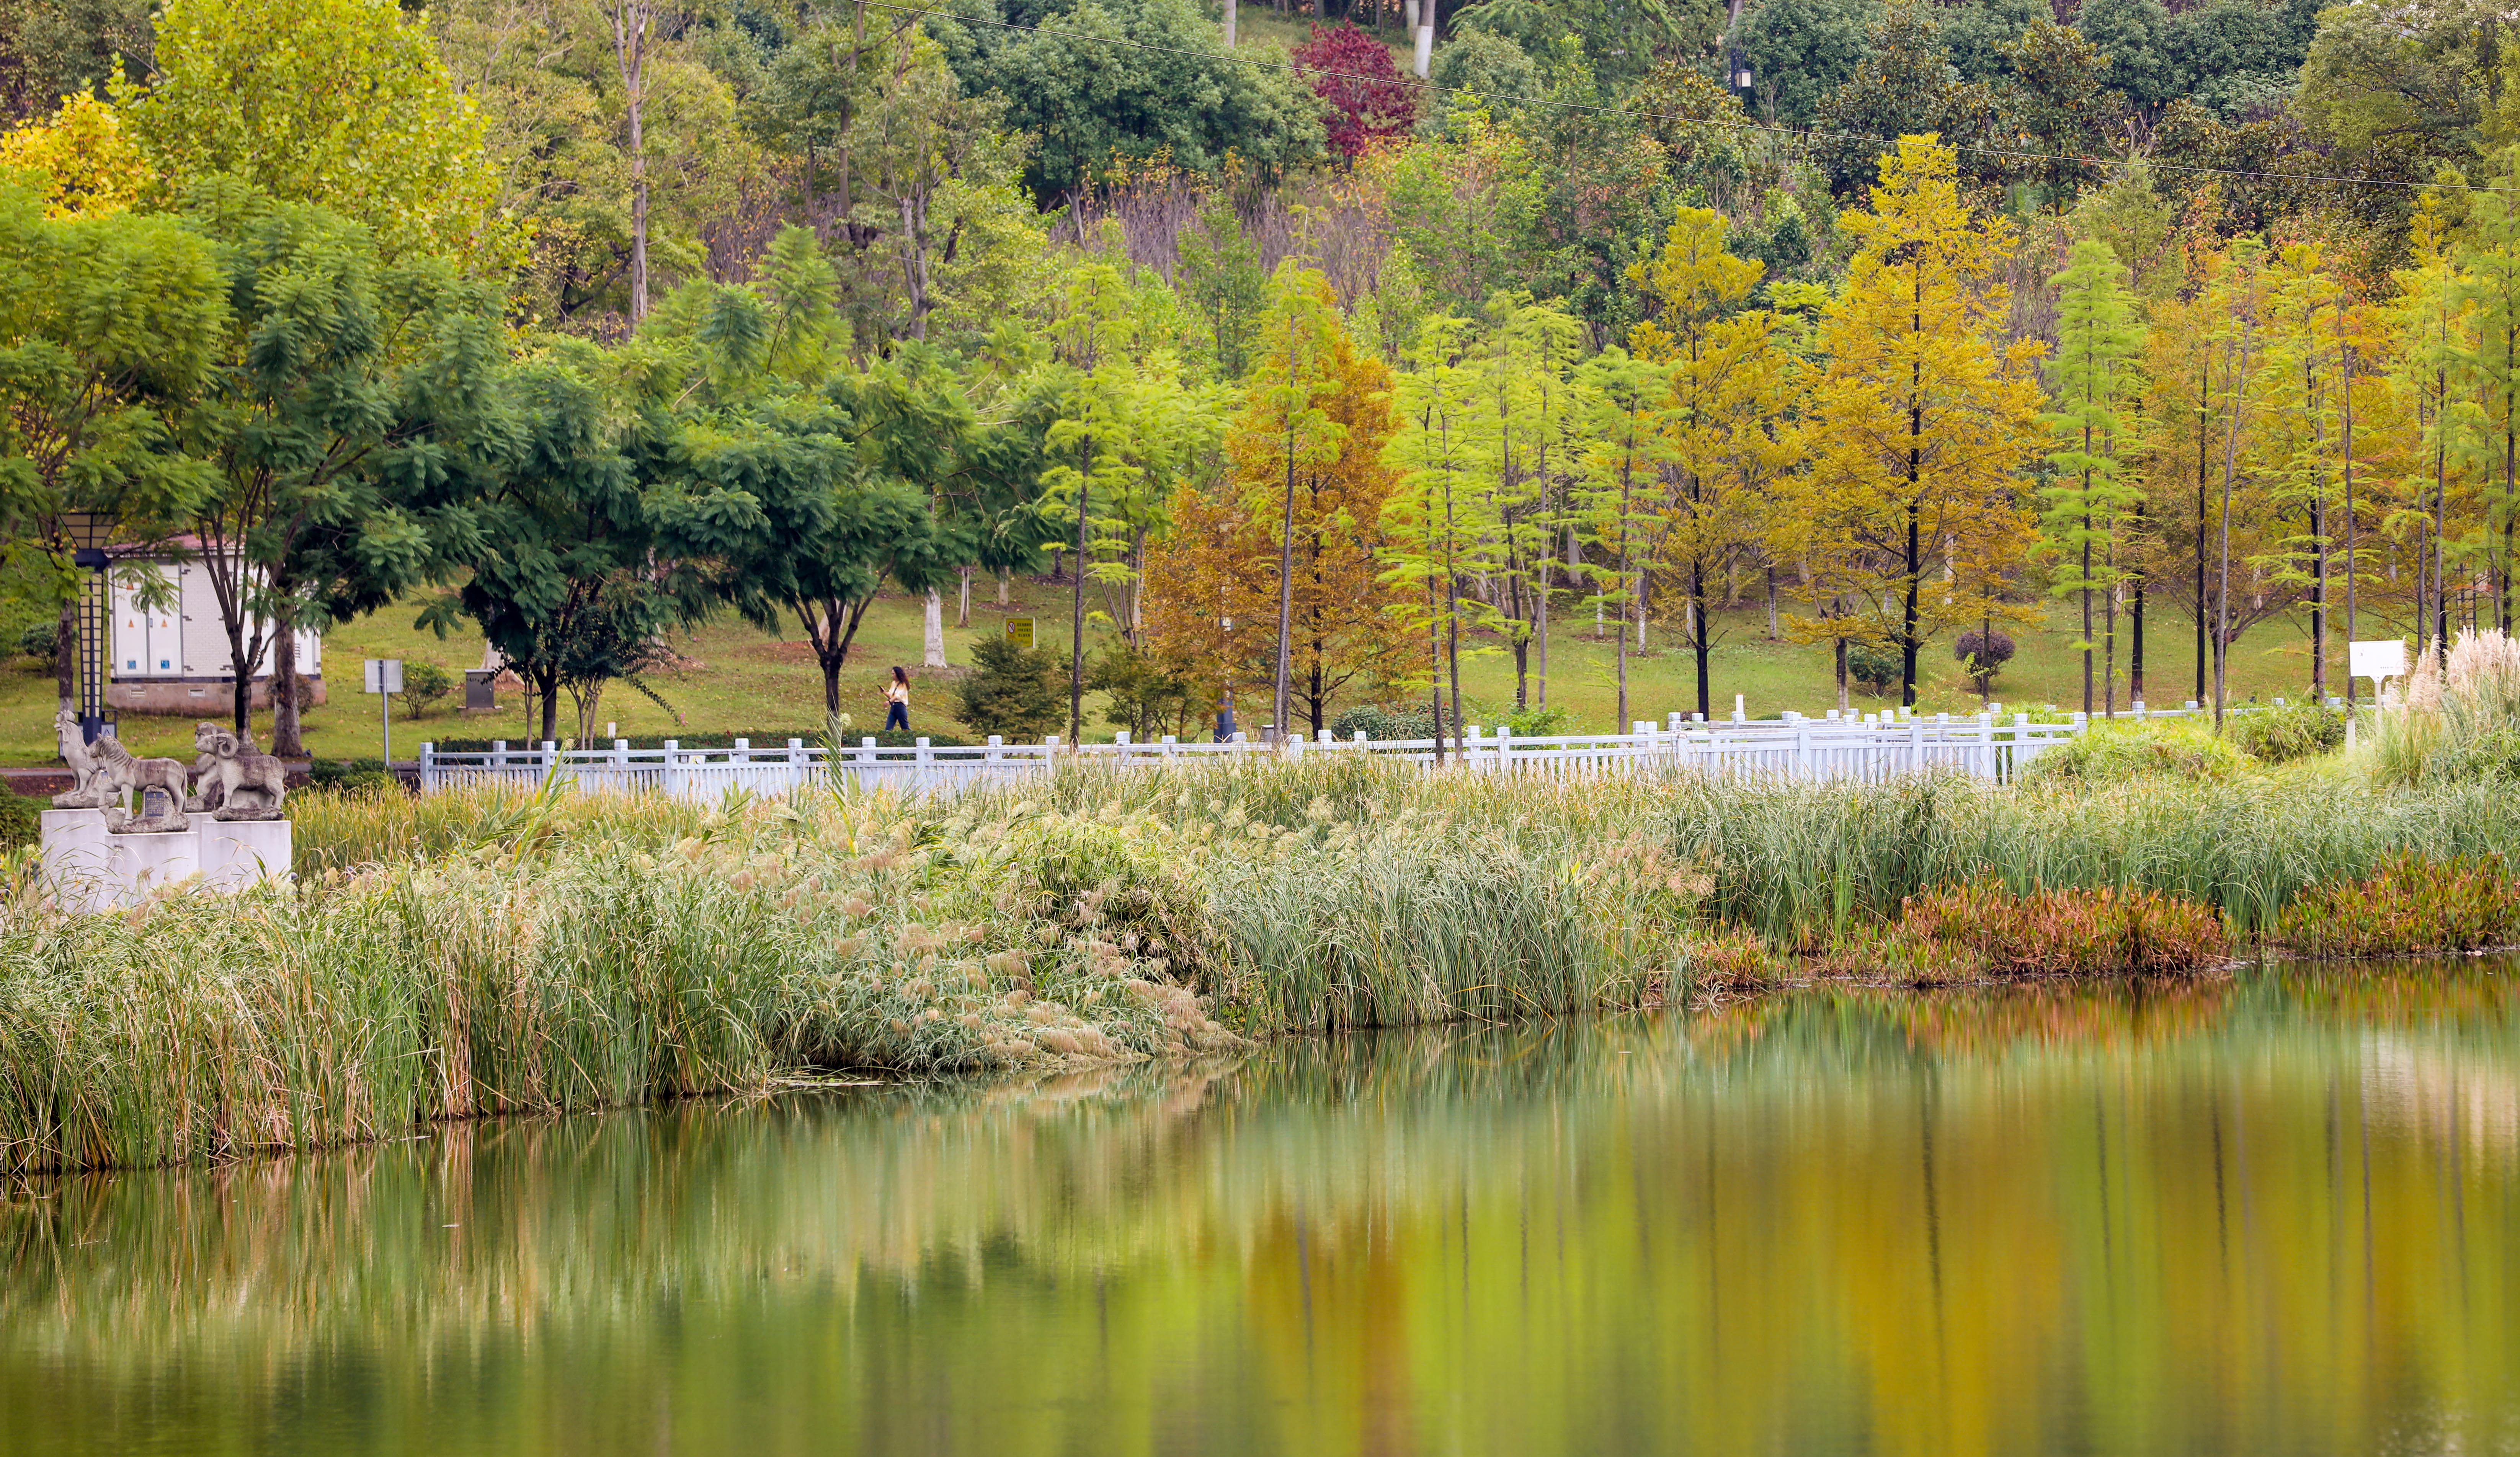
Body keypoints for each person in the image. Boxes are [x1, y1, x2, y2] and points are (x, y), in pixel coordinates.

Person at [884, 666, 911, 732]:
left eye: (893, 674)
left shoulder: (903, 685)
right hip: (893, 707)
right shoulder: (894, 683)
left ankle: (909, 737)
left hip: (900, 707)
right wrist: (884, 692)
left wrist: (889, 702)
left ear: (898, 674)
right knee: (888, 728)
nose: (892, 676)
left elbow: (898, 696)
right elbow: (891, 695)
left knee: (905, 727)